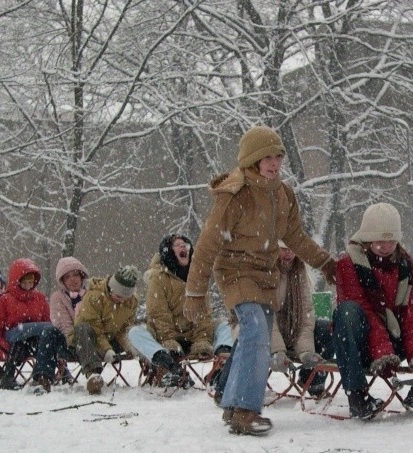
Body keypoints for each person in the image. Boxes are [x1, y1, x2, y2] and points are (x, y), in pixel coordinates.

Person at [183, 124, 336, 436]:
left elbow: (295, 237)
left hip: (267, 274)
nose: (275, 162)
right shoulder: (234, 194)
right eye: (268, 157)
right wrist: (194, 293)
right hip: (236, 272)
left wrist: (326, 263)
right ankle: (245, 410)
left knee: (256, 339)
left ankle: (231, 402)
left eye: (278, 156)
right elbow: (207, 245)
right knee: (253, 328)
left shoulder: (283, 195)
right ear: (252, 159)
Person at [333, 203, 413, 419]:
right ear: (367, 239)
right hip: (364, 342)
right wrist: (382, 353)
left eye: (391, 240)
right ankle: (357, 395)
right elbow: (367, 310)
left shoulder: (405, 263)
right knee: (347, 313)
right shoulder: (349, 263)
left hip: (397, 337)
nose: (385, 246)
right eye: (379, 241)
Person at [214, 240, 334, 404]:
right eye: (284, 250)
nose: (289, 255)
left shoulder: (298, 272)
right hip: (256, 324)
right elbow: (265, 314)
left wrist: (306, 352)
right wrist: (277, 351)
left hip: (289, 327)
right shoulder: (263, 270)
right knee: (250, 334)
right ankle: (226, 386)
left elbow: (306, 314)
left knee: (326, 329)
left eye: (293, 250)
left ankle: (312, 382)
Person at [128, 233, 234, 389]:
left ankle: (222, 367)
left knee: (226, 325)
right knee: (135, 332)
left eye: (185, 244)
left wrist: (202, 341)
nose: (183, 246)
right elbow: (158, 314)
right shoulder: (157, 278)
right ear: (168, 252)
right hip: (165, 342)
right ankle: (168, 366)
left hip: (192, 336)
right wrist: (169, 341)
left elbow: (204, 314)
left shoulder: (197, 277)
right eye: (177, 245)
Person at [0, 258, 67, 393]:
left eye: (31, 282)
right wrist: (5, 351)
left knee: (48, 333)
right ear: (17, 281)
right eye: (25, 282)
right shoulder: (3, 299)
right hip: (12, 337)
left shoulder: (39, 298)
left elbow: (47, 322)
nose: (28, 285)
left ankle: (43, 376)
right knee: (45, 328)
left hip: (31, 341)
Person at [71, 266, 140, 395]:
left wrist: (130, 346)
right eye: (118, 296)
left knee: (140, 332)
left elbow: (124, 329)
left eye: (125, 298)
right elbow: (94, 327)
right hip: (86, 340)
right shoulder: (95, 296)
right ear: (112, 288)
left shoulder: (131, 302)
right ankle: (93, 375)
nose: (121, 300)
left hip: (110, 339)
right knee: (83, 328)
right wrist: (106, 349)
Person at [49, 256, 89, 343]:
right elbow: (64, 326)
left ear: (81, 277)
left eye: (75, 275)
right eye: (67, 277)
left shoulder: (90, 294)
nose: (72, 279)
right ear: (62, 281)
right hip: (70, 344)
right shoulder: (58, 298)